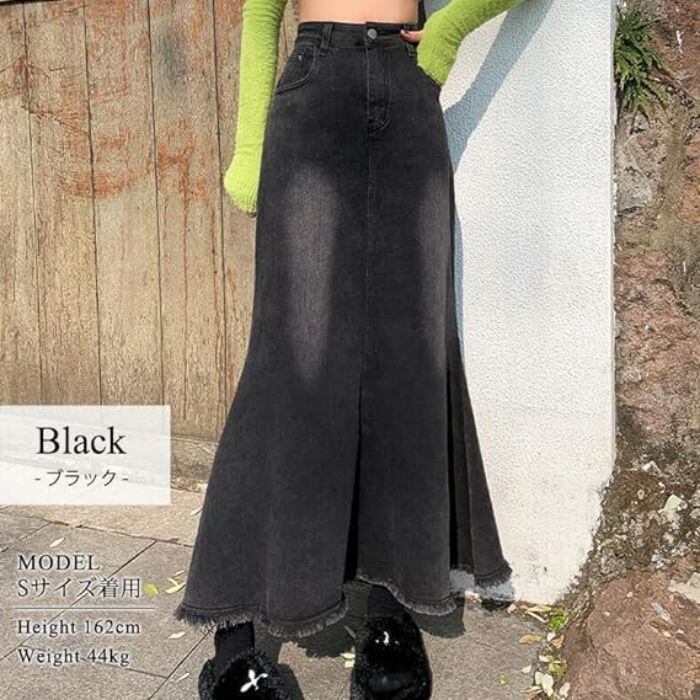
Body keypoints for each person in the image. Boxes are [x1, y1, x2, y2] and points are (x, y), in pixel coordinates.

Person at [174, 1, 525, 697]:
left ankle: (390, 615)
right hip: (316, 88)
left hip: (408, 94)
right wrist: (249, 147)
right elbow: (261, 11)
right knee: (294, 363)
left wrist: (450, 28)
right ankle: (234, 641)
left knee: (411, 358)